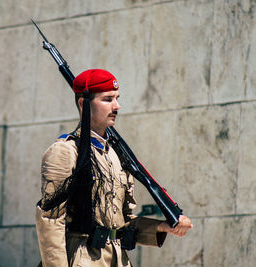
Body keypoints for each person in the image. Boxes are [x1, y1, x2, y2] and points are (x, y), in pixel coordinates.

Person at [36, 69, 192, 267]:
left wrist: (161, 227)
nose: (117, 106)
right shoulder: (66, 151)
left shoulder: (116, 155)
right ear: (84, 104)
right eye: (108, 99)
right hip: (81, 260)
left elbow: (122, 221)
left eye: (117, 98)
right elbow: (50, 220)